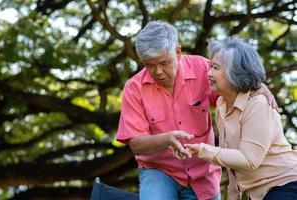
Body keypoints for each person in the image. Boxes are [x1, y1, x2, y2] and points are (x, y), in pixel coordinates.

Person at [116, 21, 274, 200]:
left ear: (178, 51)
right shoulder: (133, 88)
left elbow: (233, 88)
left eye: (163, 62)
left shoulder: (203, 69)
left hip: (204, 172)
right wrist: (166, 139)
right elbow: (136, 144)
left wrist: (259, 86)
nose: (158, 71)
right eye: (149, 65)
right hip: (159, 171)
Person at [184, 37, 297, 200]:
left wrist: (202, 149)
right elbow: (233, 162)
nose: (208, 74)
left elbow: (249, 159)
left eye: (215, 68)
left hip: (287, 185)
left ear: (234, 73)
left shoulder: (257, 105)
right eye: (210, 66)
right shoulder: (222, 104)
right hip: (261, 193)